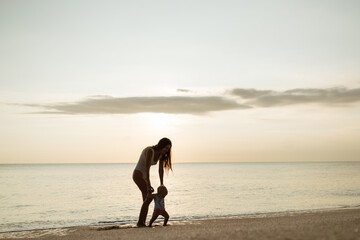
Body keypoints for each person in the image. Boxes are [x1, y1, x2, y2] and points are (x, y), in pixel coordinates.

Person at [133, 138, 172, 227]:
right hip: (138, 175)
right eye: (166, 148)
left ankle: (142, 222)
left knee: (146, 199)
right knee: (148, 197)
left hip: (144, 176)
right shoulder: (150, 151)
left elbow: (160, 170)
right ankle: (140, 222)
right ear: (161, 145)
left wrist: (161, 184)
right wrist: (148, 184)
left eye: (168, 149)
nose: (166, 150)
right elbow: (147, 169)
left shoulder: (160, 155)